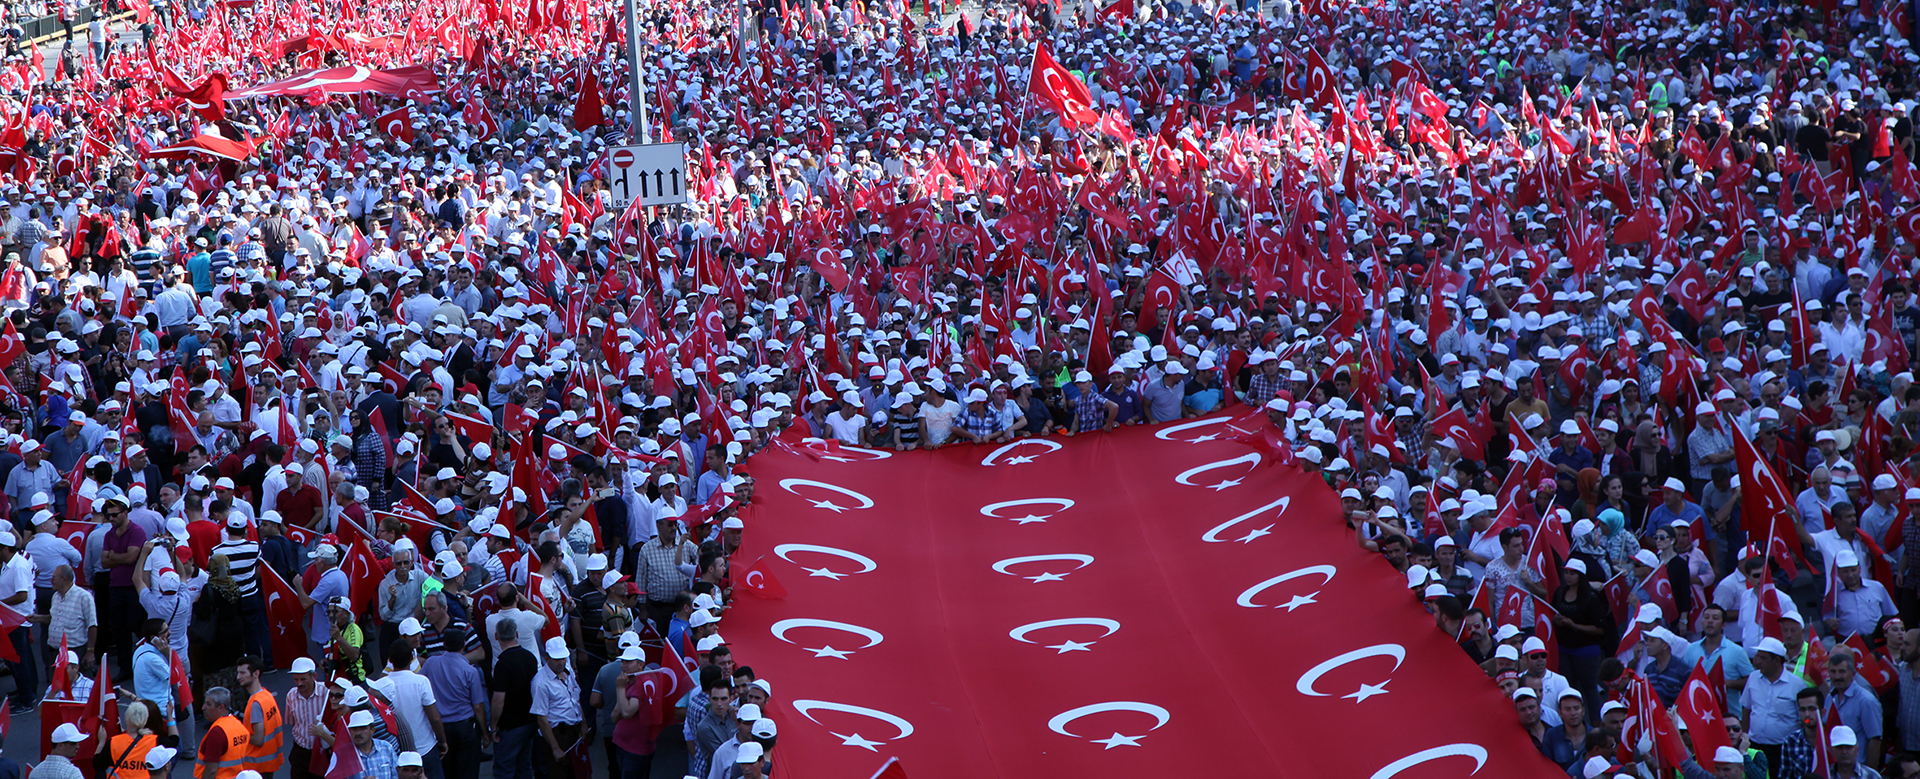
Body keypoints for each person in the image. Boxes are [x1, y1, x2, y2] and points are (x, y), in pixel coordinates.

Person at [419, 629, 487, 779]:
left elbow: (419, 684)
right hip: (465, 727)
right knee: (468, 770)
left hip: (441, 728)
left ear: (444, 644)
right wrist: (485, 732)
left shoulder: (431, 663)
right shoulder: (470, 671)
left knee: (446, 769)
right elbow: (478, 706)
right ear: (463, 645)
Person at [372, 641, 446, 779]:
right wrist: (442, 741)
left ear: (390, 660)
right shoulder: (421, 682)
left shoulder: (382, 685)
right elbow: (435, 718)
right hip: (426, 748)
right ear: (412, 658)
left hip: (398, 752)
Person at [530, 636, 587, 779]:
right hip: (558, 734)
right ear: (547, 657)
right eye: (557, 659)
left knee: (580, 772)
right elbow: (542, 719)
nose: (561, 662)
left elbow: (576, 699)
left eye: (564, 658)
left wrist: (584, 725)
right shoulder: (540, 683)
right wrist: (555, 748)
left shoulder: (568, 671)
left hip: (575, 730)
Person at [489, 619, 539, 779]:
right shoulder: (530, 657)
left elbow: (498, 699)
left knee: (504, 770)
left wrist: (494, 725)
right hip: (529, 721)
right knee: (524, 768)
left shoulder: (502, 664)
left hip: (510, 727)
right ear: (517, 634)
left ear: (496, 636)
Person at [195, 687, 248, 779]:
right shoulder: (239, 726)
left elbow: (211, 771)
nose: (203, 708)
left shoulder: (217, 733)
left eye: (209, 704)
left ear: (221, 707)